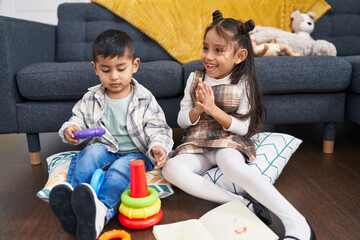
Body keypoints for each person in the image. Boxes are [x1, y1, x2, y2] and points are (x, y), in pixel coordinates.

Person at [162, 10, 314, 240]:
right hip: (197, 141)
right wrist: (199, 109)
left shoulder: (243, 82)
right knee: (170, 169)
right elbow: (182, 120)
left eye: (219, 50)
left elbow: (243, 128)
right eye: (206, 48)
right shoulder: (195, 78)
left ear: (240, 55)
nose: (209, 56)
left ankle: (296, 222)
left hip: (227, 141)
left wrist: (214, 110)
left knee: (230, 165)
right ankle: (240, 203)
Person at [49, 29, 173, 240]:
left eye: (121, 68)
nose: (114, 76)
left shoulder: (144, 99)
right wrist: (71, 129)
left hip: (135, 154)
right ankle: (75, 200)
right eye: (105, 70)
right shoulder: (92, 97)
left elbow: (159, 128)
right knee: (89, 154)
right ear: (95, 68)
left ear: (134, 65)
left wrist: (158, 147)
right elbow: (76, 119)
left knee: (119, 171)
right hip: (105, 148)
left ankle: (101, 212)